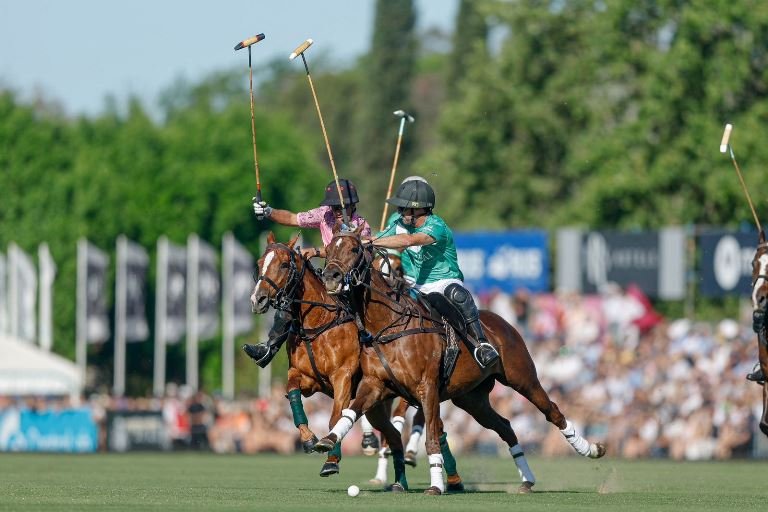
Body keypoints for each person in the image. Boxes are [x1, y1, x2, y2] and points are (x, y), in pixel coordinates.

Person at [369, 178, 499, 369]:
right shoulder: (399, 223)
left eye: (404, 208)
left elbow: (409, 240)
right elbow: (377, 238)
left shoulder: (436, 226)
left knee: (458, 295)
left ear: (418, 209)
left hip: (443, 281)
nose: (399, 212)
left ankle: (481, 344)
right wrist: (355, 240)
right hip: (414, 283)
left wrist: (372, 242)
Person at [242, 178, 371, 367]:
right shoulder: (324, 215)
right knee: (293, 296)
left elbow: (354, 253)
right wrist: (269, 212)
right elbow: (293, 218)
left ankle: (369, 350)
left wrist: (317, 251)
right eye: (333, 207)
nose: (336, 211)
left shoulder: (361, 225)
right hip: (329, 276)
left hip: (353, 279)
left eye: (340, 207)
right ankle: (270, 348)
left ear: (352, 206)